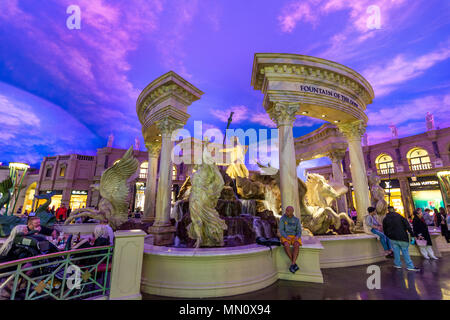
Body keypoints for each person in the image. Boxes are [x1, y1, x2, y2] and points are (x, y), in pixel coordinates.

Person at [382, 206, 420, 271]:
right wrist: (412, 235)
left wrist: (389, 236)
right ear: (394, 210)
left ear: (388, 211)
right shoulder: (400, 217)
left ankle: (397, 264)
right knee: (405, 252)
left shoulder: (385, 219)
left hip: (393, 238)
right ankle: (410, 266)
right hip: (402, 237)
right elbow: (408, 226)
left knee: (396, 252)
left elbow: (384, 230)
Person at [278, 206, 302, 274]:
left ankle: (293, 264)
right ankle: (294, 264)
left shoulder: (296, 220)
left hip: (294, 236)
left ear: (292, 212)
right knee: (286, 245)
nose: (286, 212)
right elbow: (281, 230)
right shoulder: (282, 219)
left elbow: (299, 231)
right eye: (286, 210)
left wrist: (297, 236)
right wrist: (286, 236)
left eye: (288, 211)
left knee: (296, 245)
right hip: (286, 236)